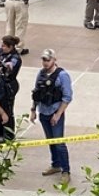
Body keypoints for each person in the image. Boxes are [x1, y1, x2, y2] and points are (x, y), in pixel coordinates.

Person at [30, 49, 73, 179]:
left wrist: (58, 114)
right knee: (51, 140)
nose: (45, 63)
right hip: (44, 112)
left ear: (54, 60)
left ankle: (66, 171)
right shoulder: (41, 73)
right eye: (43, 60)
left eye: (48, 60)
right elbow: (36, 93)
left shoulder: (62, 75)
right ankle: (56, 164)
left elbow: (67, 97)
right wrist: (33, 110)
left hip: (55, 112)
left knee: (59, 142)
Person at [0, 35, 24, 128]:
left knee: (8, 110)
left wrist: (1, 65)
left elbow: (9, 69)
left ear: (10, 47)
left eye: (4, 46)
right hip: (1, 84)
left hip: (10, 84)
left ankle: (9, 134)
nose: (1, 48)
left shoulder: (15, 58)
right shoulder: (2, 53)